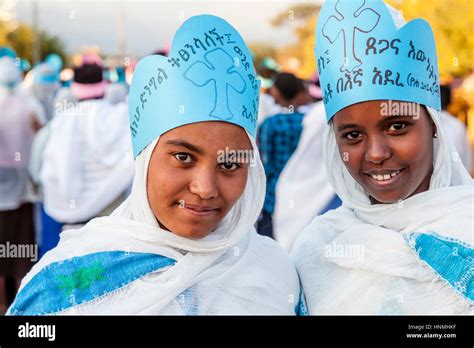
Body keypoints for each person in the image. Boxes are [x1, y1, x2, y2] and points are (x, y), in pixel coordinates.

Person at [8, 15, 302, 315]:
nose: (204, 188)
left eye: (230, 164)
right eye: (184, 157)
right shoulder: (68, 284)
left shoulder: (273, 273)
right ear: (145, 159)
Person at [292, 0, 473, 314]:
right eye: (353, 135)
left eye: (397, 126)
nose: (376, 153)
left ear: (433, 125)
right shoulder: (316, 249)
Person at [39, 60, 135, 233]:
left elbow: (54, 168)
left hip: (73, 221)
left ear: (74, 87)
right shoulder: (122, 116)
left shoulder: (63, 120)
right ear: (104, 85)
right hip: (114, 213)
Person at [0, 51, 43, 313]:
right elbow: (42, 137)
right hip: (25, 192)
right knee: (21, 253)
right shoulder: (30, 104)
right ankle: (20, 306)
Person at [256, 73, 311, 238]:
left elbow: (265, 164)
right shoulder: (309, 121)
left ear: (278, 93)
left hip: (274, 197)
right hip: (304, 193)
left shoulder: (270, 124)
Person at [438, 84, 472, 172]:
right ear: (450, 101)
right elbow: (467, 157)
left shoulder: (427, 123)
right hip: (456, 177)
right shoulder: (458, 125)